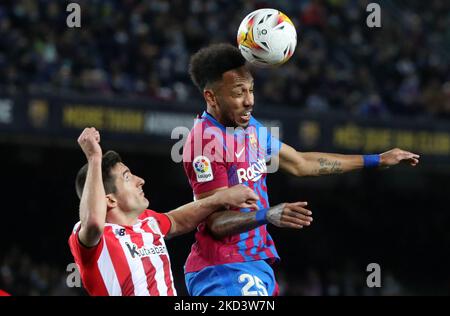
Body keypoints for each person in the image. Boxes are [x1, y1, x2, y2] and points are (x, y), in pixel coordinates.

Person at [182, 43, 420, 296]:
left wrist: (376, 160)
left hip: (255, 263)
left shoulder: (249, 126)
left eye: (251, 90)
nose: (249, 101)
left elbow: (300, 162)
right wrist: (267, 214)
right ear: (211, 97)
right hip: (223, 268)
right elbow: (214, 223)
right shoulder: (204, 142)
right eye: (238, 93)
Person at [68, 127, 265, 296]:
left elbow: (178, 220)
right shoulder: (93, 239)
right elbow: (93, 221)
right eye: (127, 177)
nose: (140, 180)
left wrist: (222, 197)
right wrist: (94, 158)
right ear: (109, 199)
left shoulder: (146, 222)